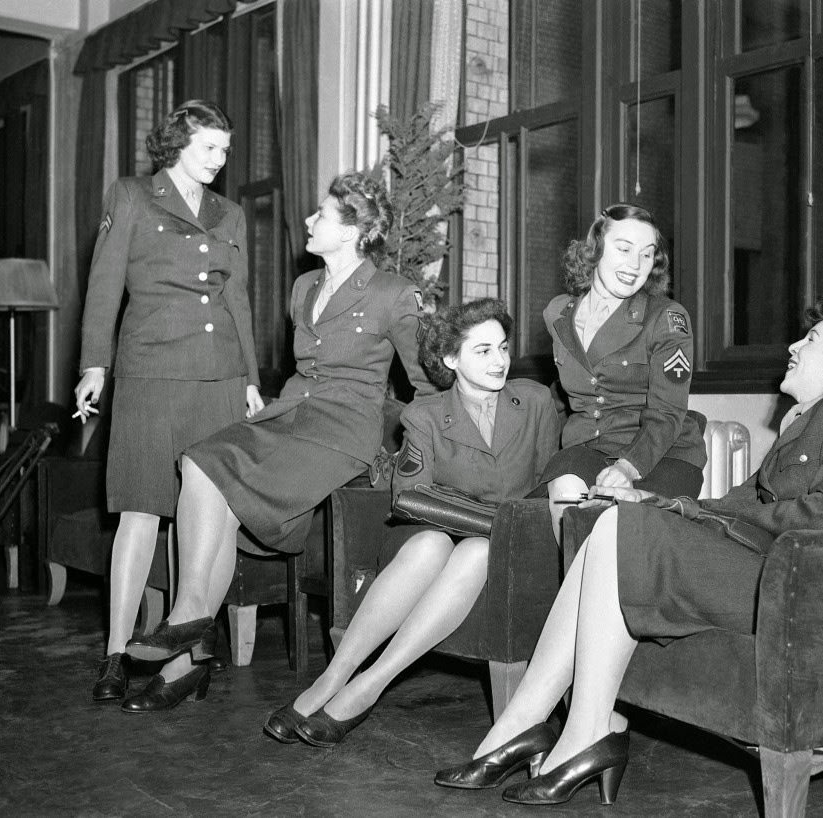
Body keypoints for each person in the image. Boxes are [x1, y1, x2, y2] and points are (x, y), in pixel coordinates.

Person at [435, 290, 823, 806]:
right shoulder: (806, 420)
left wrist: (689, 515)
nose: (794, 346)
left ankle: (573, 730)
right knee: (615, 523)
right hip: (769, 567)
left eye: (811, 339)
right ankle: (544, 723)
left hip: (806, 586)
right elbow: (736, 503)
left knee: (621, 528)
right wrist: (661, 501)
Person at [121, 171, 434, 711]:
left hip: (342, 430)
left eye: (322, 215)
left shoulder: (392, 293)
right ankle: (192, 632)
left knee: (221, 489)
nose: (309, 222)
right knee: (199, 461)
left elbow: (425, 385)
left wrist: (414, 449)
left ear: (354, 230)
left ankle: (184, 647)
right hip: (289, 412)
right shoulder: (303, 287)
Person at [262, 298, 561, 746]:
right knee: (433, 545)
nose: (500, 361)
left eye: (502, 347)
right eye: (482, 351)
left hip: (513, 547)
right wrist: (493, 519)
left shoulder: (536, 402)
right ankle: (332, 679)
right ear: (449, 360)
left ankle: (370, 683)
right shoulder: (424, 415)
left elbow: (546, 484)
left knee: (478, 550)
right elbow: (411, 496)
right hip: (431, 539)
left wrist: (505, 527)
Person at [74, 100, 264, 703]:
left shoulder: (228, 214)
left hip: (218, 380)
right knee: (140, 512)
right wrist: (93, 366)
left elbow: (239, 301)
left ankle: (190, 650)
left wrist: (251, 378)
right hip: (151, 373)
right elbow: (103, 285)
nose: (220, 160)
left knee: (207, 518)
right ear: (176, 144)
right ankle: (114, 652)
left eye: (225, 150)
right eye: (209, 147)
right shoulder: (131, 195)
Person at [540, 204, 706, 545]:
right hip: (591, 449)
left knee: (611, 520)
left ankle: (586, 595)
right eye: (624, 249)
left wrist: (626, 469)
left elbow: (667, 414)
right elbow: (565, 393)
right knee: (563, 481)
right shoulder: (557, 313)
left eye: (646, 255)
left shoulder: (668, 318)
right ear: (596, 248)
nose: (635, 265)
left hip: (661, 457)